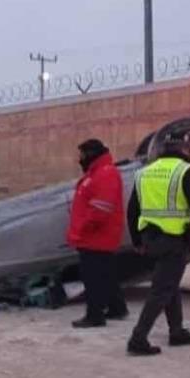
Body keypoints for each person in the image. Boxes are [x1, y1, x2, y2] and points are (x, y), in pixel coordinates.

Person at [126, 132, 190, 356]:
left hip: (150, 238)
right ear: (185, 150)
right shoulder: (184, 172)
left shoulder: (144, 173)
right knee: (161, 290)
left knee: (170, 283)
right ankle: (138, 338)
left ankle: (176, 331)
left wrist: (137, 241)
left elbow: (132, 211)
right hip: (173, 239)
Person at [66, 139, 128, 328]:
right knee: (106, 274)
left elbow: (101, 208)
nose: (80, 159)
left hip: (96, 236)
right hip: (97, 236)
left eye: (82, 155)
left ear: (92, 153)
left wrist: (84, 228)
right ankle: (117, 308)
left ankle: (95, 315)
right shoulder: (97, 173)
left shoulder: (105, 174)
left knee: (92, 277)